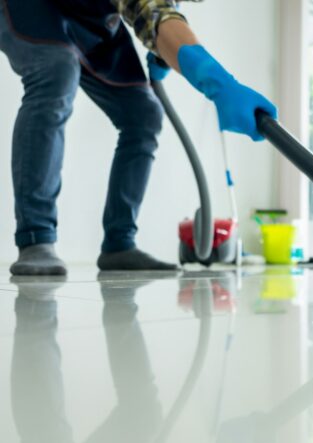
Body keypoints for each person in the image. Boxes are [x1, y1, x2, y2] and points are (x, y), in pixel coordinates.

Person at [0, 0, 277, 276]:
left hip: (93, 22)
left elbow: (160, 13)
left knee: (144, 114)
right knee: (56, 71)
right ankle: (36, 238)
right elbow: (152, 10)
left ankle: (119, 244)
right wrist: (220, 83)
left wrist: (163, 45)